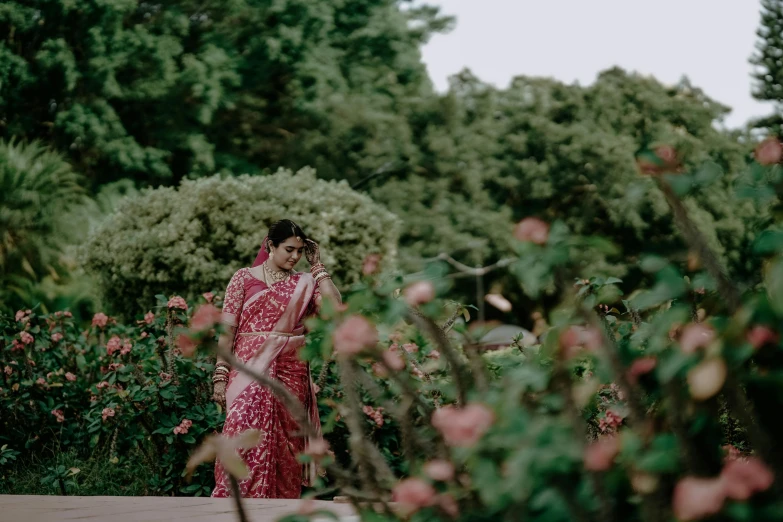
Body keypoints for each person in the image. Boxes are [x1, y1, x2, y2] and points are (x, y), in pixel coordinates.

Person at [210, 219, 341, 498]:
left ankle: (279, 511)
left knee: (286, 447)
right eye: (289, 249)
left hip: (290, 374)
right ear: (271, 245)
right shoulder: (243, 278)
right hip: (248, 370)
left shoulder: (304, 282)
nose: (295, 257)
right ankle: (233, 507)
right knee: (240, 431)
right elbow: (228, 330)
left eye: (300, 251)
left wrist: (317, 266)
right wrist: (220, 375)